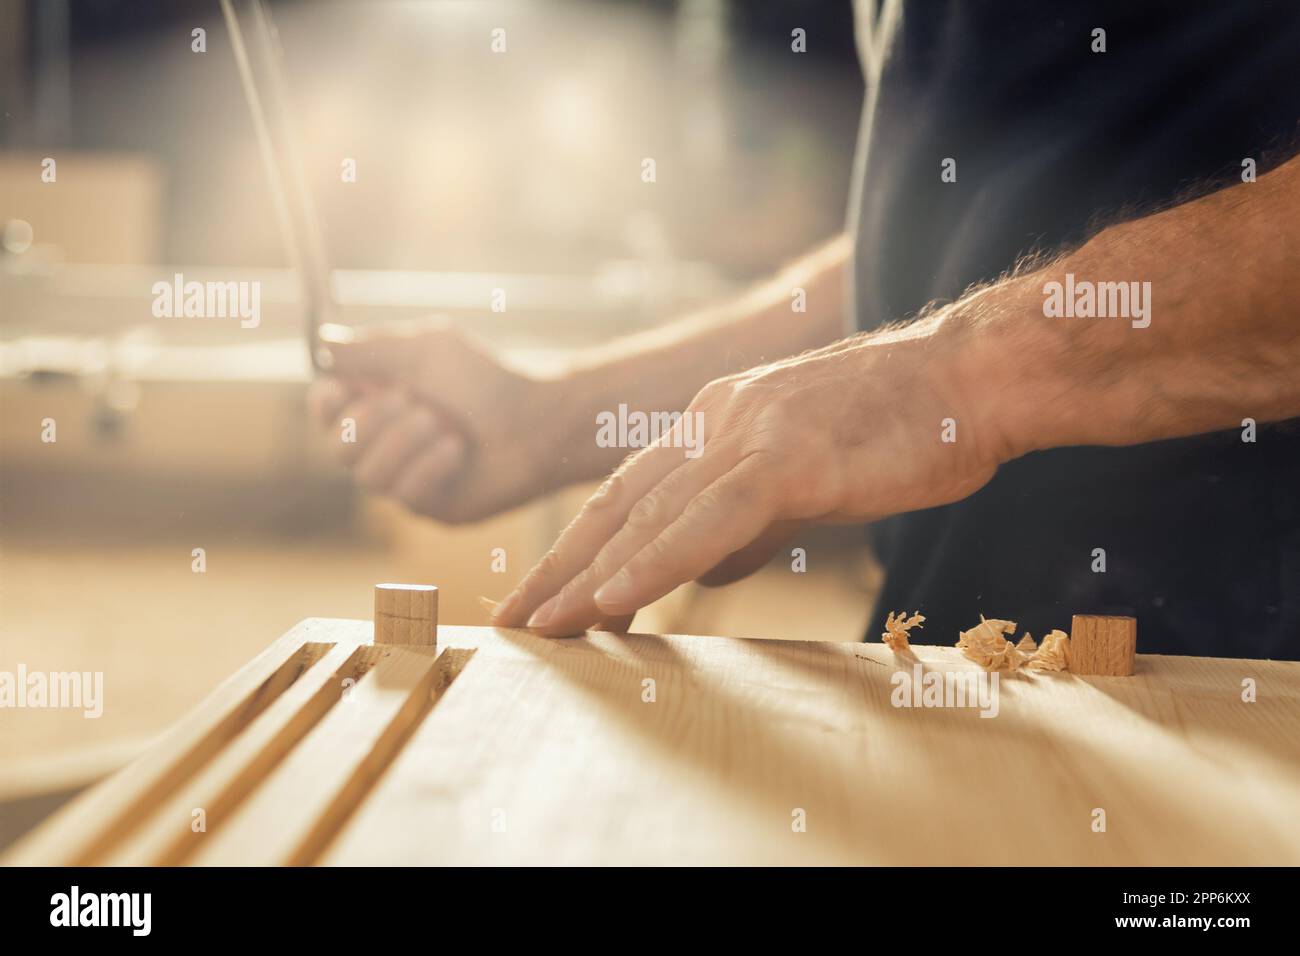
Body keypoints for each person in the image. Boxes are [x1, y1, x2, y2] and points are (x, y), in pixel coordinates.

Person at [311, 1, 1300, 659]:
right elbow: (951, 251)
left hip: (1240, 695)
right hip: (976, 657)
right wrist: (554, 417)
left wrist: (966, 379)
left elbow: (952, 347)